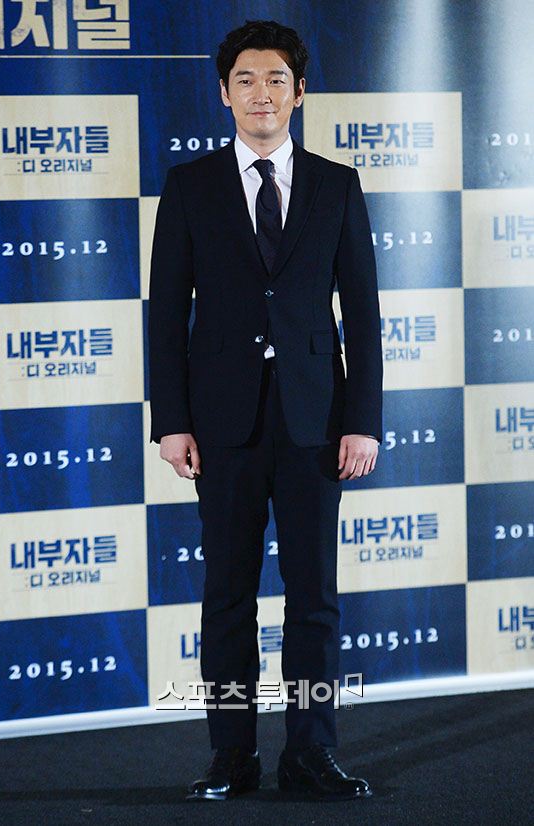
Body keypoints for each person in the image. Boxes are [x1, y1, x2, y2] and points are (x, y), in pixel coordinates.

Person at [148, 19, 383, 802]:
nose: (261, 93)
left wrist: (363, 419)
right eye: (246, 79)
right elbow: (165, 313)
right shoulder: (190, 186)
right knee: (227, 598)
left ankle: (311, 752)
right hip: (223, 423)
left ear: (299, 92)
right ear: (224, 93)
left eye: (276, 79)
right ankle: (232, 754)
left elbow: (364, 313)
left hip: (317, 421)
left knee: (314, 599)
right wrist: (171, 420)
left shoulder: (337, 184)